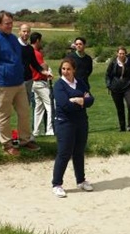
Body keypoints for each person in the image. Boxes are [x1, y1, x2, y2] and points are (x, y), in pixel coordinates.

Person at [0, 10, 40, 155]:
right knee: (4, 115)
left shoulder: (13, 38)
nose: (9, 26)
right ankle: (7, 145)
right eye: (7, 23)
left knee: (24, 112)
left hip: (18, 82)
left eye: (11, 23)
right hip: (3, 84)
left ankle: (25, 140)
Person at [51, 57, 94, 198]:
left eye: (68, 69)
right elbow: (65, 105)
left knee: (79, 152)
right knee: (64, 153)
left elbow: (91, 99)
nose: (66, 71)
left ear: (74, 70)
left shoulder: (80, 83)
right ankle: (57, 184)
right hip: (64, 123)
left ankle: (81, 180)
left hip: (81, 122)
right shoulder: (59, 85)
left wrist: (80, 100)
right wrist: (82, 101)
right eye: (63, 69)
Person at [105, 46, 130, 131]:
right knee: (120, 108)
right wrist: (109, 85)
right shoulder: (113, 63)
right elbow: (108, 75)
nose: (121, 55)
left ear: (125, 53)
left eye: (123, 53)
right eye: (120, 53)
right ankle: (122, 127)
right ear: (117, 54)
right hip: (116, 87)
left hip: (128, 86)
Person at [30, 31, 54, 137]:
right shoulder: (37, 53)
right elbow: (42, 67)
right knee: (51, 105)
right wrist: (47, 68)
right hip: (40, 82)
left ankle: (36, 131)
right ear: (38, 40)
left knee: (38, 108)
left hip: (32, 83)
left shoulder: (28, 51)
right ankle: (49, 130)